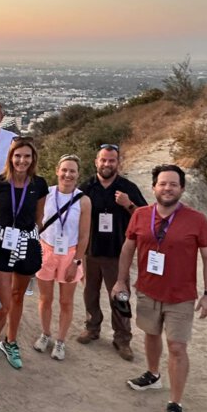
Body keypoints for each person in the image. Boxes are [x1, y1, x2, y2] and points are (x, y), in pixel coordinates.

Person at [112, 164, 207, 412]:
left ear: (181, 188)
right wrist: (121, 280)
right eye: (162, 183)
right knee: (150, 333)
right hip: (147, 289)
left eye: (173, 184)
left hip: (180, 296)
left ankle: (175, 403)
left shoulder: (197, 220)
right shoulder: (141, 215)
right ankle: (153, 374)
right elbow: (128, 248)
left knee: (177, 347)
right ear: (154, 187)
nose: (167, 188)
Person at [78, 144, 148, 361]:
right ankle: (92, 327)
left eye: (111, 160)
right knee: (90, 293)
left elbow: (145, 217)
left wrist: (128, 205)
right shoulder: (87, 187)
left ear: (118, 163)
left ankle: (122, 338)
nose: (107, 164)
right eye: (103, 160)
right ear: (96, 162)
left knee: (120, 296)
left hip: (118, 254)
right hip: (91, 252)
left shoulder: (128, 188)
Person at [0, 137, 47, 370]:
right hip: (2, 243)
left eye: (27, 156)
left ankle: (11, 341)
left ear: (33, 159)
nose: (22, 160)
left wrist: (27, 234)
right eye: (17, 155)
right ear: (11, 157)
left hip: (26, 243)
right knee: (2, 301)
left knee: (18, 295)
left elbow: (39, 217)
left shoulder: (39, 185)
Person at [33, 155, 91, 361]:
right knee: (45, 298)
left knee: (66, 301)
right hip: (46, 250)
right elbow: (37, 222)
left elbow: (84, 235)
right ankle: (46, 333)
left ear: (78, 174)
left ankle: (60, 340)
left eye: (72, 171)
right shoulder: (46, 194)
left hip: (69, 253)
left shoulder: (83, 200)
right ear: (57, 170)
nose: (67, 174)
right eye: (64, 170)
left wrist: (77, 262)